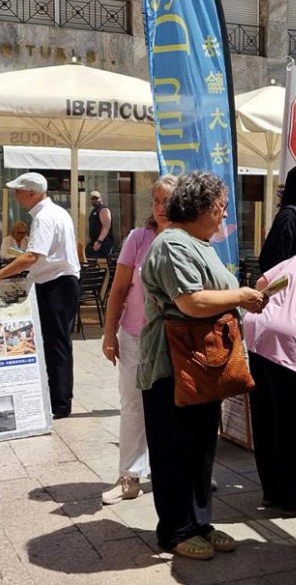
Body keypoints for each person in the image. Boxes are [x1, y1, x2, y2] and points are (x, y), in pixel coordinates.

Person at [139, 171, 266, 560]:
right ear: (204, 208)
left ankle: (198, 522)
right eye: (221, 208)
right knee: (174, 448)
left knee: (199, 448)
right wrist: (241, 295)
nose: (224, 216)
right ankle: (174, 530)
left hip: (203, 361)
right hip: (172, 363)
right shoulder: (173, 244)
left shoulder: (198, 243)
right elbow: (191, 301)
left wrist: (244, 295)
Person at [0, 172, 81, 420]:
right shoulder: (57, 212)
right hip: (59, 281)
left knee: (56, 344)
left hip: (55, 283)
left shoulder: (45, 217)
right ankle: (58, 399)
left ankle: (60, 403)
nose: (15, 195)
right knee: (56, 343)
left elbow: (33, 256)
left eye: (18, 191)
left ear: (32, 193)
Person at [100, 174, 176, 505]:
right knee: (133, 404)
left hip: (176, 338)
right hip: (136, 336)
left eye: (167, 201)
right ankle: (129, 475)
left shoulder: (192, 237)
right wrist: (109, 333)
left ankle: (176, 470)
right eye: (156, 201)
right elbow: (118, 290)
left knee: (177, 406)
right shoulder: (138, 238)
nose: (160, 207)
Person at [243, 252, 296, 517]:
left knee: (266, 415)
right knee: (294, 424)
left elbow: (261, 284)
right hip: (292, 338)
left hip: (258, 329)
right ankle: (293, 496)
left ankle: (272, 490)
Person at [86, 190, 114, 260]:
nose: (95, 200)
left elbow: (106, 226)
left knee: (103, 263)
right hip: (95, 243)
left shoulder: (103, 209)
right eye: (93, 199)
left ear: (100, 198)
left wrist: (99, 241)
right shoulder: (94, 210)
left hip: (104, 243)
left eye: (96, 198)